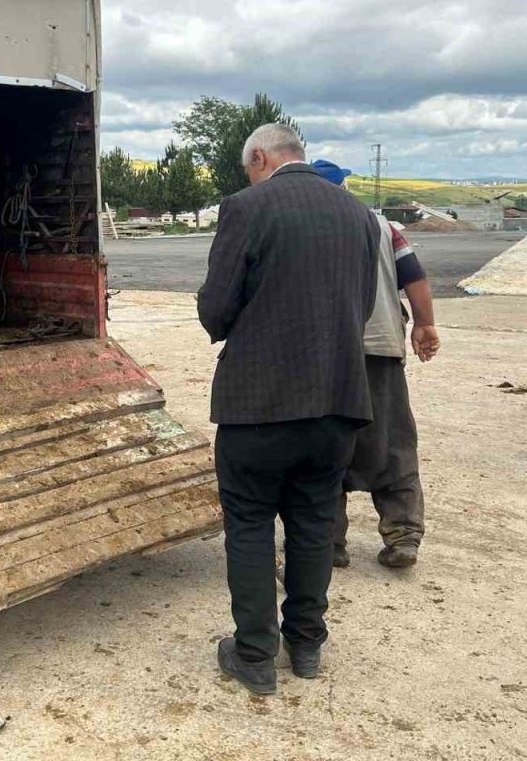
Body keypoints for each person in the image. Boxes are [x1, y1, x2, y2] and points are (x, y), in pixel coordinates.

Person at [198, 125, 378, 693]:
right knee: (312, 523)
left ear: (259, 157)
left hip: (258, 404)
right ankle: (306, 645)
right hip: (337, 401)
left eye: (247, 166)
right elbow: (365, 304)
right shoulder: (358, 214)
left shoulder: (246, 207)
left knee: (249, 524)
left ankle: (253, 654)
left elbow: (216, 310)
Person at [309, 160, 440, 568]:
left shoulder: (305, 227)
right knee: (393, 443)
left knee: (324, 446)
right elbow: (414, 276)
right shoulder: (382, 226)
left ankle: (327, 542)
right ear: (345, 187)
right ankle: (402, 535)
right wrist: (425, 324)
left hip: (324, 356)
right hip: (380, 348)